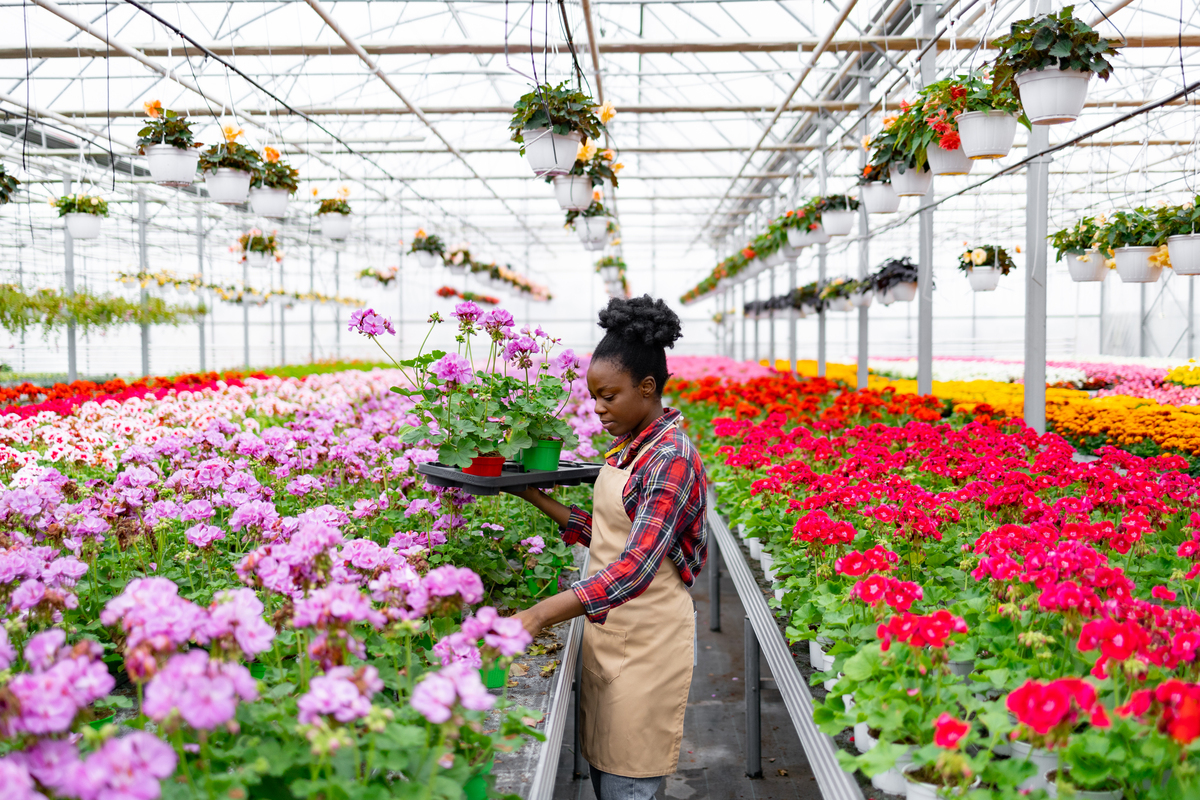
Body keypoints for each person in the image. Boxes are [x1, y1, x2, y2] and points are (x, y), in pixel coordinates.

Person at [508, 295, 708, 800]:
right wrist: (535, 497)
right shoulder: (633, 446)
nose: (597, 409)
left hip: (647, 644)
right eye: (594, 396)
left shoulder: (671, 459)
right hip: (610, 633)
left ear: (647, 388)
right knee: (606, 775)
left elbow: (636, 567)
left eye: (608, 396)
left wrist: (537, 615)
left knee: (629, 783)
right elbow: (610, 532)